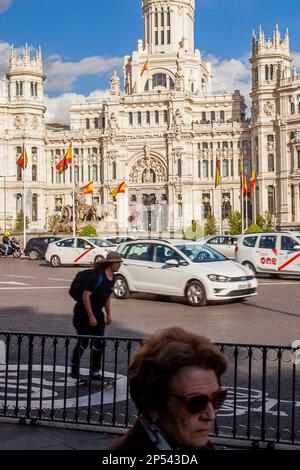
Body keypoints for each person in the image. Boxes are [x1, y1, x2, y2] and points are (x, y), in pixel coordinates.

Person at [107, 327, 227, 452]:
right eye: (196, 402)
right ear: (153, 404)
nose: (211, 415)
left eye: (218, 398)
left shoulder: (195, 443)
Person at [70, 251, 123, 384]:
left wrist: (109, 314)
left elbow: (106, 297)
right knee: (84, 341)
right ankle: (74, 371)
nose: (119, 265)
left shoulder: (114, 278)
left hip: (97, 313)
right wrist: (90, 316)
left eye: (120, 262)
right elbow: (85, 295)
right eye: (117, 262)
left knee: (99, 342)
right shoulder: (98, 276)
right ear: (110, 263)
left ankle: (95, 371)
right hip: (82, 313)